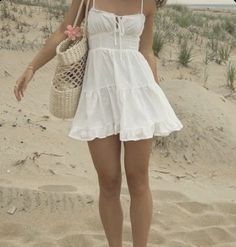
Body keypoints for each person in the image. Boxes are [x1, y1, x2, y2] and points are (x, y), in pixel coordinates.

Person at [14, 0, 183, 246]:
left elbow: (146, 51)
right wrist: (32, 67)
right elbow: (64, 30)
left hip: (137, 95)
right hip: (98, 95)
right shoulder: (87, 0)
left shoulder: (147, 4)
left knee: (138, 180)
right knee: (108, 180)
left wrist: (155, 100)